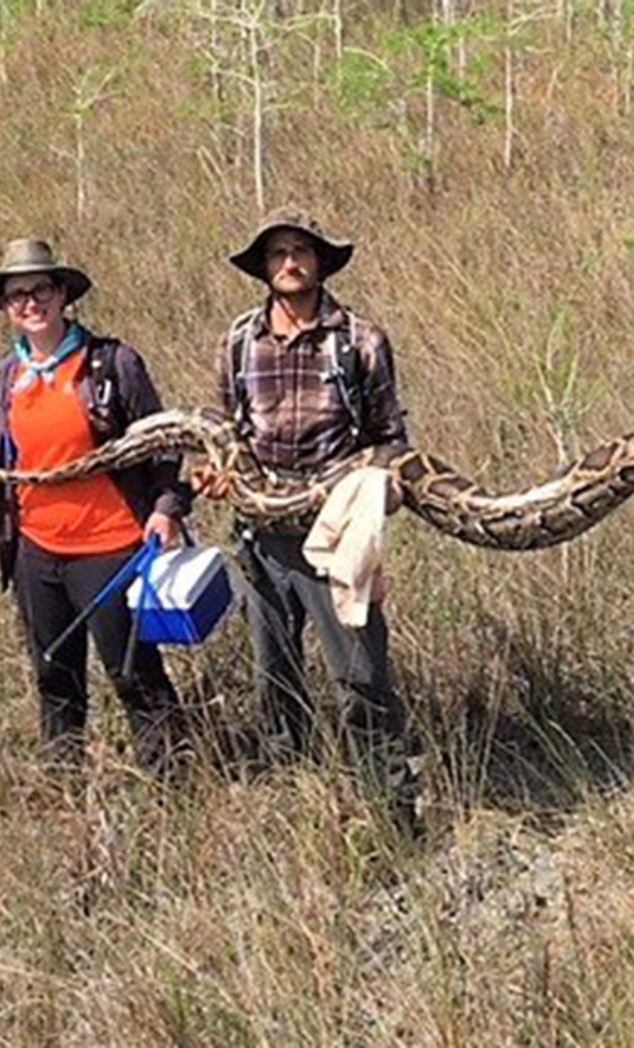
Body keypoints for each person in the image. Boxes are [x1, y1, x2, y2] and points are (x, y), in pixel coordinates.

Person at [0, 239, 190, 780]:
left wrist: (166, 508)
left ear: (63, 293)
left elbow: (165, 443)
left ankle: (176, 787)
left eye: (41, 289)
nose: (30, 302)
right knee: (53, 674)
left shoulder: (112, 363)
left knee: (132, 672)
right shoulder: (8, 378)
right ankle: (63, 787)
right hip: (36, 552)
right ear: (5, 307)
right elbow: (9, 462)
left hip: (111, 547)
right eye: (17, 294)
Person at [197, 208, 420, 835]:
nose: (290, 263)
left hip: (338, 537)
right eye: (277, 254)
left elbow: (389, 440)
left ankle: (392, 808)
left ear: (320, 262)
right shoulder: (239, 340)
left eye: (301, 251)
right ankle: (291, 803)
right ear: (264, 269)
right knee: (275, 677)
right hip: (261, 537)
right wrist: (218, 477)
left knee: (360, 676)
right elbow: (227, 435)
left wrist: (375, 492)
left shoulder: (360, 339)